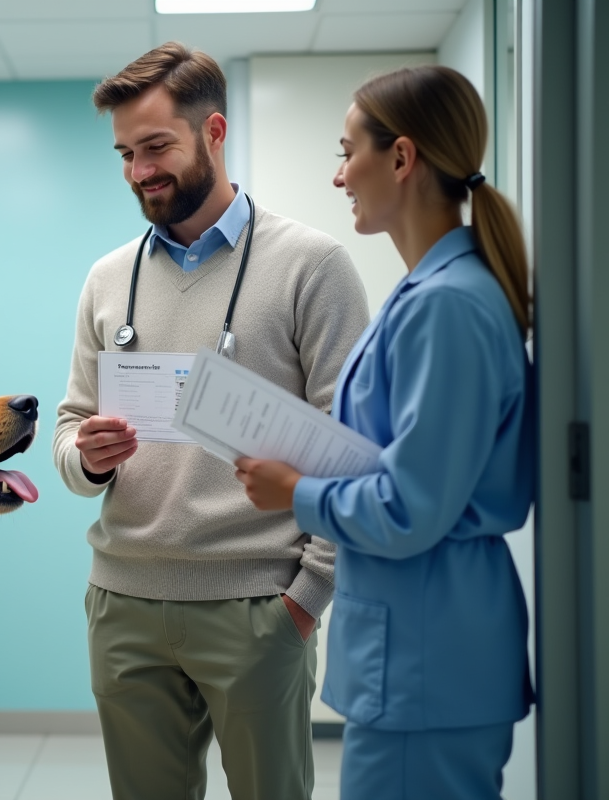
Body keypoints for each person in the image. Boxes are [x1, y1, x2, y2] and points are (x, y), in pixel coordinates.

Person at [53, 42, 371, 800]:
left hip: (257, 606)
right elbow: (69, 427)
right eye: (126, 153)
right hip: (123, 602)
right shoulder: (107, 277)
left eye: (157, 146)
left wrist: (305, 598)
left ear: (215, 132)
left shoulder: (311, 265)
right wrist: (86, 457)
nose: (139, 171)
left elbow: (352, 449)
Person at [233, 65, 535, 800]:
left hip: (428, 664)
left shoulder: (449, 308)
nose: (340, 177)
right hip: (418, 654)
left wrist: (297, 492)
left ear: (401, 159)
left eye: (348, 152)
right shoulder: (426, 293)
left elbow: (412, 506)